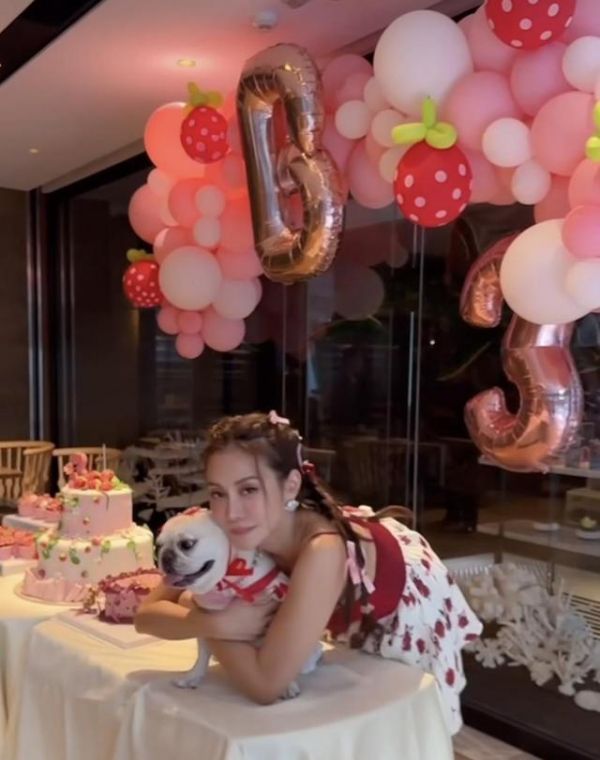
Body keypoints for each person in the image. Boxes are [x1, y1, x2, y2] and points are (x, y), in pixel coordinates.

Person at [135, 411, 482, 735]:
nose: (231, 511)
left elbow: (265, 686)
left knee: (393, 730)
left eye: (249, 489)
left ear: (290, 486)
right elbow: (146, 615)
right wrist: (214, 622)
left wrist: (204, 615)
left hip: (401, 617)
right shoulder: (226, 522)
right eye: (217, 493)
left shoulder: (322, 551)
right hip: (340, 610)